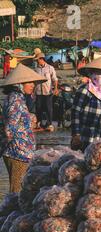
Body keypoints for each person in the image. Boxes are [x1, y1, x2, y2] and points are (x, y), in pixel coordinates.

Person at [0, 64, 46, 192]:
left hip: (20, 152)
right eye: (30, 82)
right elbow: (9, 128)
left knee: (19, 189)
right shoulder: (16, 99)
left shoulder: (18, 98)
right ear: (20, 84)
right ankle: (9, 212)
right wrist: (10, 145)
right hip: (17, 153)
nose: (33, 85)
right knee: (16, 191)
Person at [34, 52, 59, 130]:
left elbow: (55, 79)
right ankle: (39, 123)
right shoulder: (36, 69)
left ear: (42, 59)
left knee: (48, 108)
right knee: (38, 108)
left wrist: (55, 88)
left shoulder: (50, 68)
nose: (37, 61)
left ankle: (49, 124)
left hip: (48, 92)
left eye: (38, 60)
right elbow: (34, 80)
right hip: (38, 91)